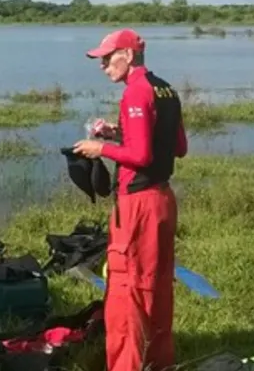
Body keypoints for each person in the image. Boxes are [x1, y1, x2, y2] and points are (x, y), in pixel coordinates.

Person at [71, 28, 188, 371]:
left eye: (108, 58)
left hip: (137, 205)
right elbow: (178, 147)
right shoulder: (165, 89)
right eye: (101, 59)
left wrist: (100, 147)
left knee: (126, 292)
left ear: (128, 55)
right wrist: (117, 133)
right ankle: (158, 361)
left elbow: (138, 154)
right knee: (158, 284)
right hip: (163, 199)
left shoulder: (135, 93)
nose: (103, 65)